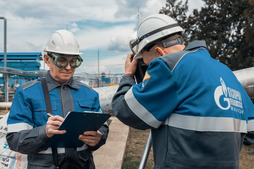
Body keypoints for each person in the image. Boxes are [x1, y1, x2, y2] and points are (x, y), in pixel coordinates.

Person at [112, 14, 254, 169]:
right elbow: (250, 130)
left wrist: (128, 76)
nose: (148, 72)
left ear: (159, 53)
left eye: (147, 64)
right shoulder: (226, 72)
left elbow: (126, 110)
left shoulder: (169, 65)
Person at [6, 30, 109, 169]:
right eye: (62, 60)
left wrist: (99, 137)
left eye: (73, 61)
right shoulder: (26, 93)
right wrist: (44, 132)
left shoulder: (89, 94)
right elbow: (14, 139)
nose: (68, 67)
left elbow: (102, 128)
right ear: (47, 60)